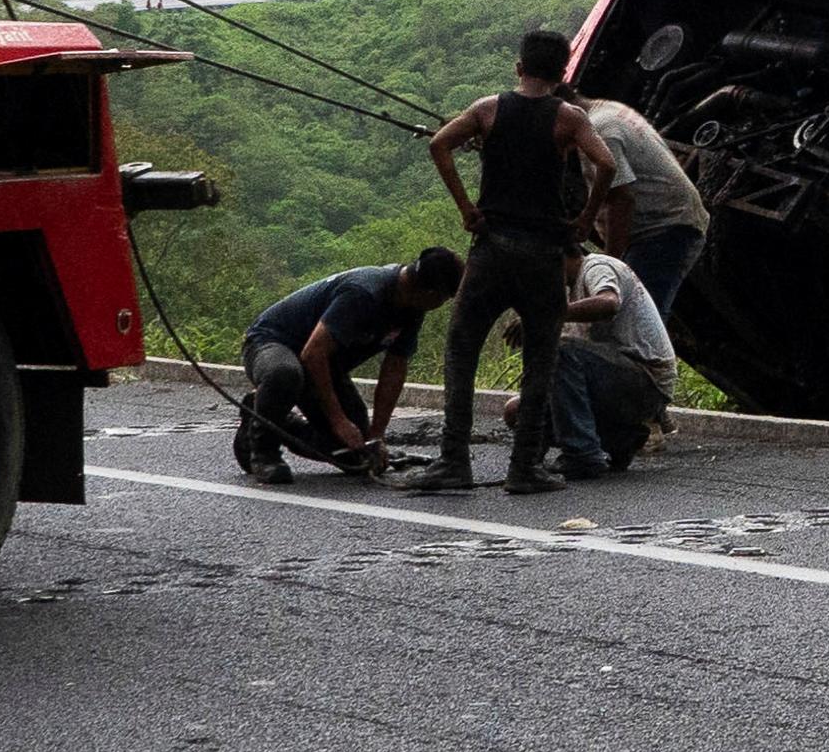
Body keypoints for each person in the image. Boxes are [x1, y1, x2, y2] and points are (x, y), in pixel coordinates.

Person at [400, 27, 621, 496]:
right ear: (562, 74)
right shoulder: (568, 118)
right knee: (540, 360)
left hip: (492, 249)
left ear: (518, 67)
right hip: (544, 255)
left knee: (462, 350)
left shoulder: (488, 108)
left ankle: (454, 461)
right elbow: (607, 165)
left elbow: (439, 144)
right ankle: (525, 468)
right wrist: (583, 220)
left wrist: (466, 209)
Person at [236, 249, 463, 484]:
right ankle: (263, 451)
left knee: (358, 456)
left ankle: (270, 417)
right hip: (272, 343)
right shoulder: (364, 292)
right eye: (444, 298)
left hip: (322, 364)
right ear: (429, 292)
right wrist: (338, 421)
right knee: (284, 374)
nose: (441, 304)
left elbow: (394, 370)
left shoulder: (412, 307)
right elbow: (313, 353)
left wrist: (376, 436)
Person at [542, 194, 682, 476]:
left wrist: (553, 313)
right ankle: (619, 438)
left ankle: (583, 454)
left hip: (646, 379)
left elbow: (609, 302)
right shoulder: (570, 290)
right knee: (516, 411)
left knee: (561, 351)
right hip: (613, 382)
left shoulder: (596, 267)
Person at [586, 96, 711, 315]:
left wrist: (610, 272)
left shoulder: (600, 131)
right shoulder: (607, 110)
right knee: (635, 320)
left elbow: (621, 203)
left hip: (662, 228)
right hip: (667, 224)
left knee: (632, 320)